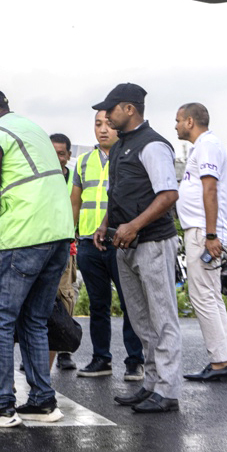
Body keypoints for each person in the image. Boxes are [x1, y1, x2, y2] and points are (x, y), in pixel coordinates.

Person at [0, 89, 73, 427]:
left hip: (26, 236)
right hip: (59, 234)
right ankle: (42, 401)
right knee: (34, 319)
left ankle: (0, 405)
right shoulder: (32, 129)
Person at [93, 83, 182, 414]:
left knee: (162, 318)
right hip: (125, 243)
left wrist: (134, 225)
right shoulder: (121, 146)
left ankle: (168, 390)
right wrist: (105, 224)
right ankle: (151, 384)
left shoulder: (153, 145)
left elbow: (168, 195)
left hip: (153, 242)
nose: (105, 116)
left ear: (129, 109)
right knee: (142, 319)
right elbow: (119, 194)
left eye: (111, 109)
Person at [72, 111, 145, 382]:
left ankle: (135, 361)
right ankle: (101, 358)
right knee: (98, 305)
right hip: (88, 243)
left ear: (118, 127)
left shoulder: (128, 157)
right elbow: (75, 202)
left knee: (130, 304)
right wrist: (71, 236)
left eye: (108, 124)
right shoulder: (83, 162)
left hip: (120, 241)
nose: (103, 130)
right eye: (97, 124)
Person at [175, 102, 227, 382]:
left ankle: (219, 363)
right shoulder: (202, 147)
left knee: (202, 296)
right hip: (203, 230)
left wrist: (211, 235)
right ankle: (223, 359)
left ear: (190, 121)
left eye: (178, 120)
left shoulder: (208, 145)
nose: (176, 126)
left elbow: (209, 189)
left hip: (203, 231)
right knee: (211, 296)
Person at [49, 133, 78, 371]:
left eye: (61, 153)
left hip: (67, 248)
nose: (57, 157)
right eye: (52, 152)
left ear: (68, 156)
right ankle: (39, 357)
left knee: (65, 299)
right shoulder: (39, 178)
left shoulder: (74, 179)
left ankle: (64, 350)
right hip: (43, 247)